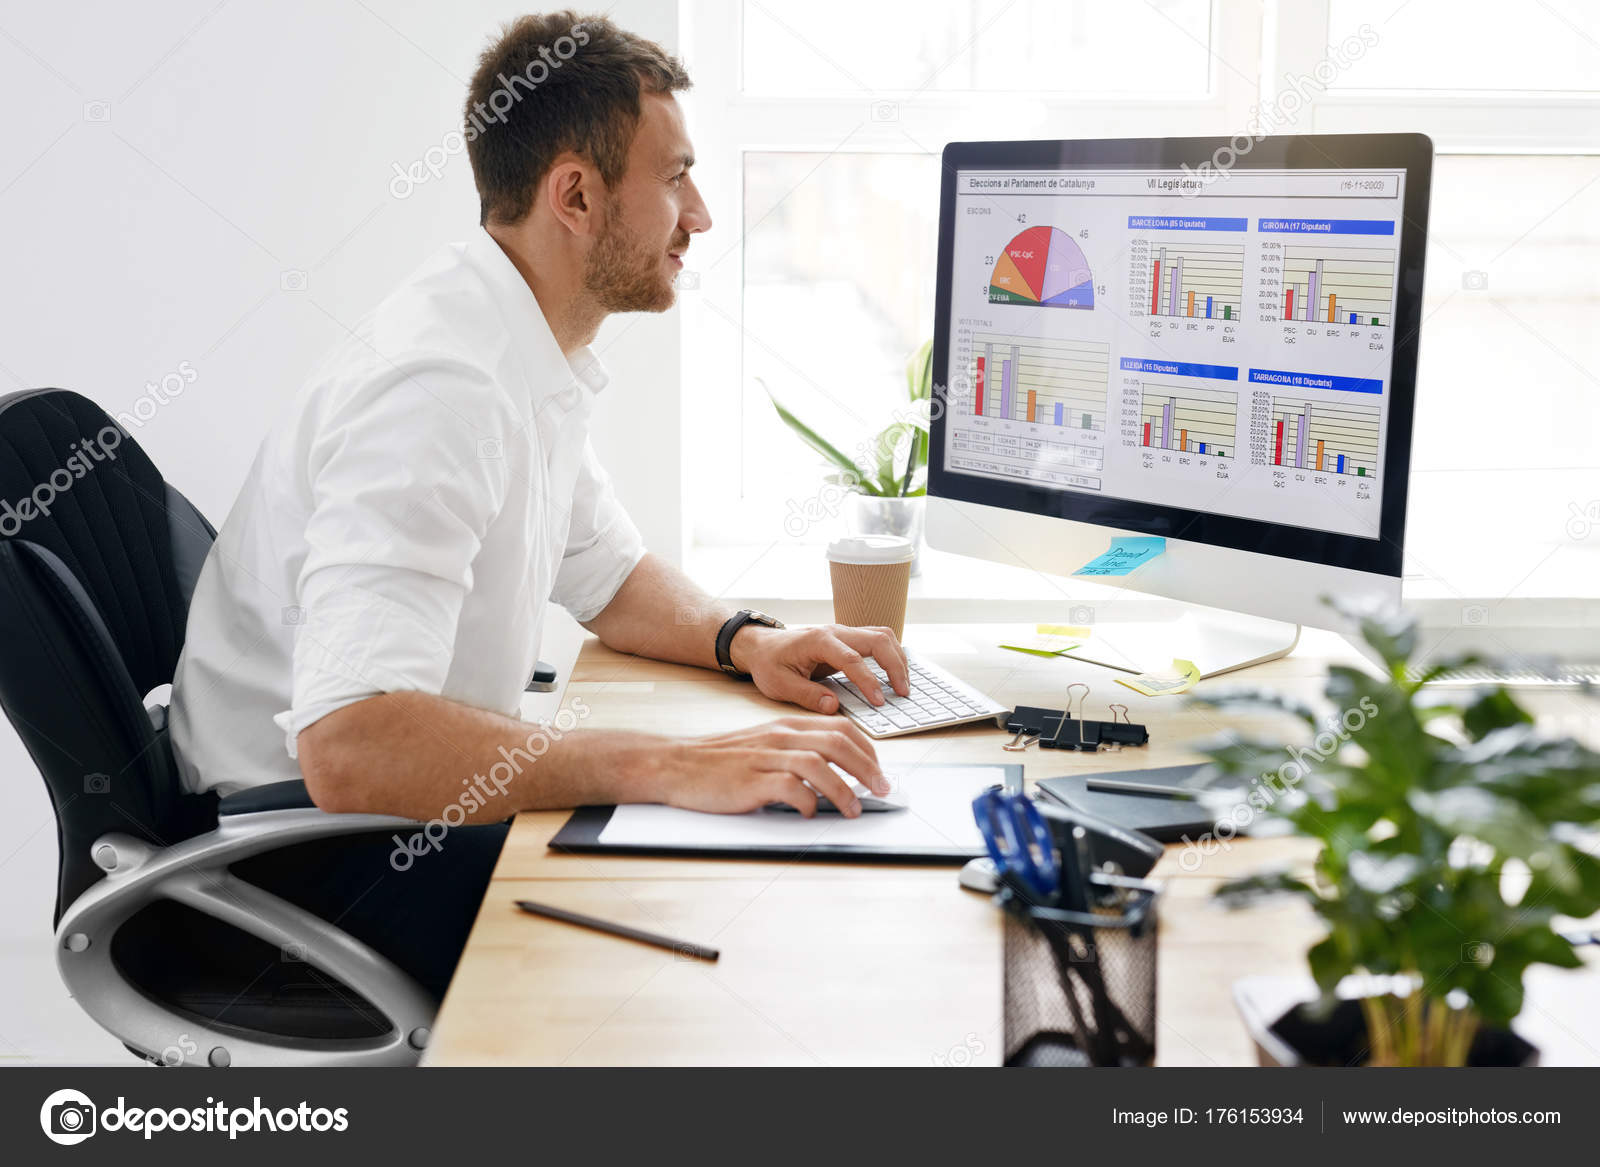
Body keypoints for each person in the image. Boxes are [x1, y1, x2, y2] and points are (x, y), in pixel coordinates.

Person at [165, 11, 910, 1003]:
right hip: (304, 865)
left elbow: (605, 573)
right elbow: (351, 746)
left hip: (365, 820)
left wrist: (746, 639)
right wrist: (670, 766)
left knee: (736, 879)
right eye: (675, 176)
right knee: (711, 933)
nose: (700, 215)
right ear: (577, 194)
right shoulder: (440, 389)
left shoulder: (514, 346)